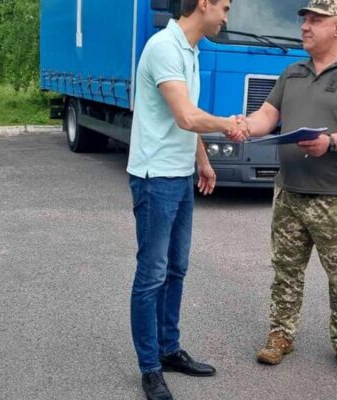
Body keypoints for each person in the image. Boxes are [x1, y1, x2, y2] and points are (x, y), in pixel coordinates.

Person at [242, 0, 337, 378]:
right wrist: (243, 126)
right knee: (286, 271)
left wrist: (333, 143)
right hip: (290, 193)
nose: (305, 27)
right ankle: (281, 334)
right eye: (304, 20)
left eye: (315, 20)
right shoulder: (292, 72)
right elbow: (267, 116)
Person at [126, 1, 247, 399]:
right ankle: (150, 368)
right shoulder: (164, 47)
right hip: (155, 178)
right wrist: (228, 124)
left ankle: (169, 348)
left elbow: (188, 120)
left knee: (176, 268)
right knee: (152, 274)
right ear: (204, 3)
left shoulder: (191, 51)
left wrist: (204, 162)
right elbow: (186, 116)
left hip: (179, 176)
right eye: (224, 7)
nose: (226, 17)